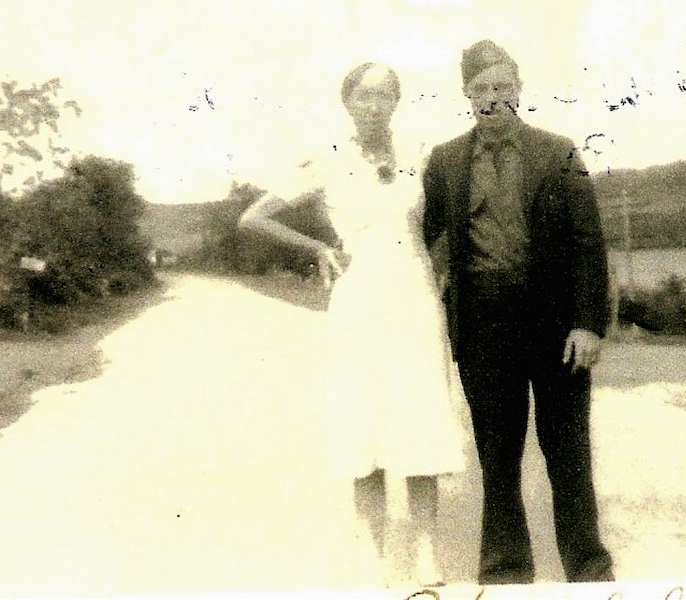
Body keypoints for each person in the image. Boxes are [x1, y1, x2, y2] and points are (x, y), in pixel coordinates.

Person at [238, 62, 465, 585]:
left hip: (414, 295)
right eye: (365, 95)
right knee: (365, 418)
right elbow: (254, 217)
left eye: (386, 95)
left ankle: (430, 560)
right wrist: (318, 247)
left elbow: (453, 217)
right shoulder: (326, 159)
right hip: (360, 298)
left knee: (420, 416)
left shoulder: (420, 153)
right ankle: (378, 560)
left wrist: (440, 264)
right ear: (347, 102)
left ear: (397, 101)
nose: (375, 105)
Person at [421, 39, 614, 584]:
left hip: (555, 327)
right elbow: (426, 234)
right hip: (483, 326)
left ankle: (590, 572)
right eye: (480, 89)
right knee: (498, 461)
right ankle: (505, 575)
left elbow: (587, 244)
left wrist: (587, 323)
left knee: (568, 456)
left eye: (501, 87)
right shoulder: (445, 161)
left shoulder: (560, 153)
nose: (491, 98)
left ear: (518, 90)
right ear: (466, 95)